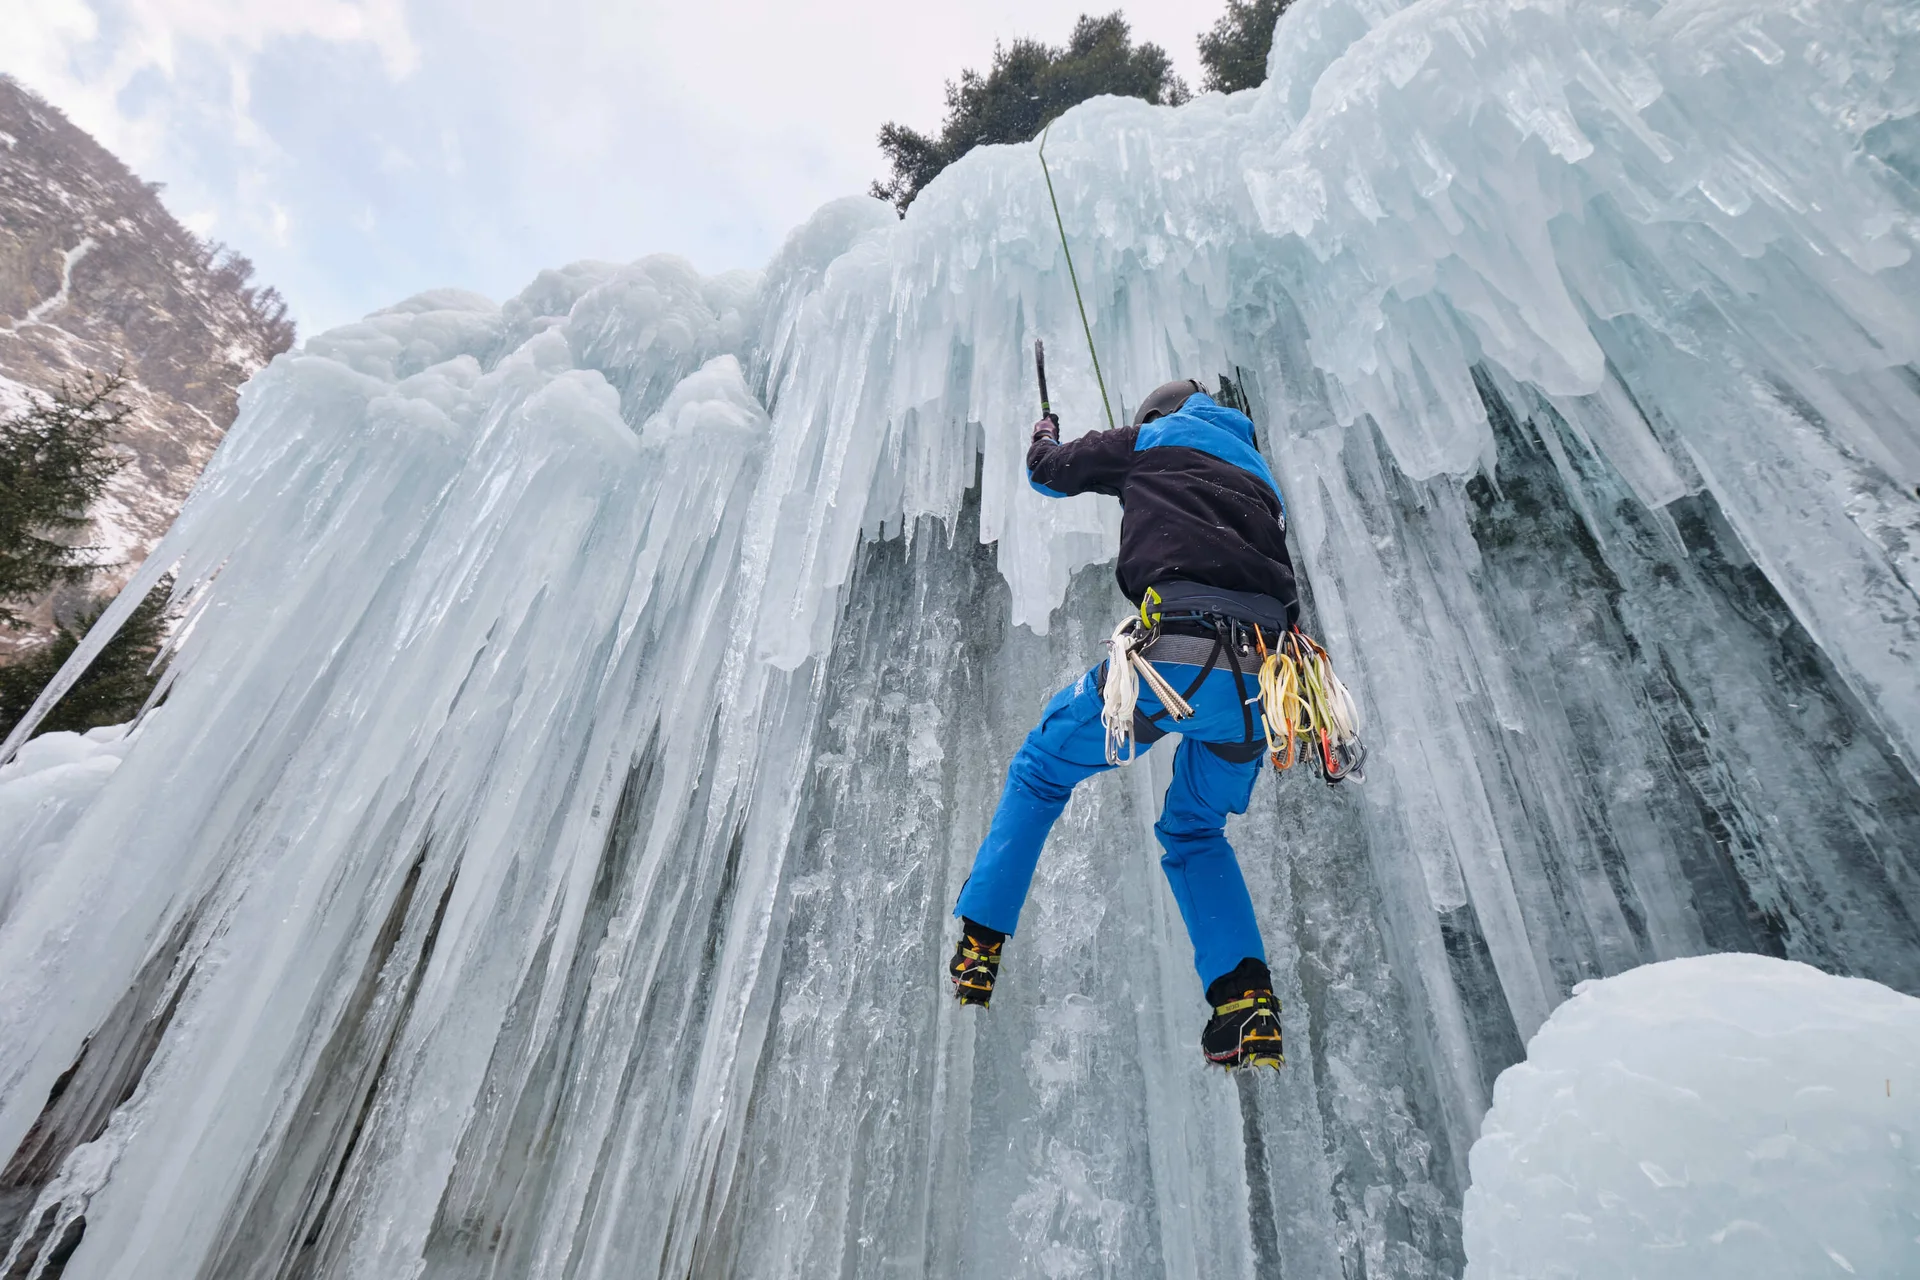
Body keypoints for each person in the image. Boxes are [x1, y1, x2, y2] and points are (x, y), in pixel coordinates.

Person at [947, 379, 1296, 1069]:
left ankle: (982, 940)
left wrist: (1044, 432)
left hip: (1176, 661)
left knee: (1041, 770)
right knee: (1195, 829)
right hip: (1261, 688)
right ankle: (1244, 1001)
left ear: (1159, 415)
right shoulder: (1263, 481)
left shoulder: (1150, 440)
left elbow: (1047, 473)